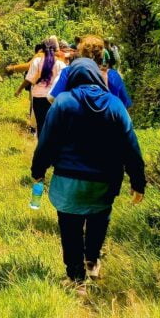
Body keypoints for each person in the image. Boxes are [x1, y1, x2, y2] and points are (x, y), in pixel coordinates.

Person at [31, 36, 146, 292]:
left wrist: (38, 172)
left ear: (73, 75)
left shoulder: (63, 102)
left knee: (69, 228)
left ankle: (75, 278)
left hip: (68, 181)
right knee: (98, 221)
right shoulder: (115, 106)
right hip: (104, 182)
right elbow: (131, 147)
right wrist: (138, 181)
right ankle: (92, 262)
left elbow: (46, 144)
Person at [48, 41, 132, 109]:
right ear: (101, 56)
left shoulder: (68, 71)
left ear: (81, 54)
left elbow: (52, 98)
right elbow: (124, 105)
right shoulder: (113, 75)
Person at [25, 38, 67, 137]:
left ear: (41, 49)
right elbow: (64, 83)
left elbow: (31, 80)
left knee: (41, 125)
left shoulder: (36, 62)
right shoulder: (60, 64)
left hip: (37, 97)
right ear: (56, 50)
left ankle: (41, 148)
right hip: (53, 98)